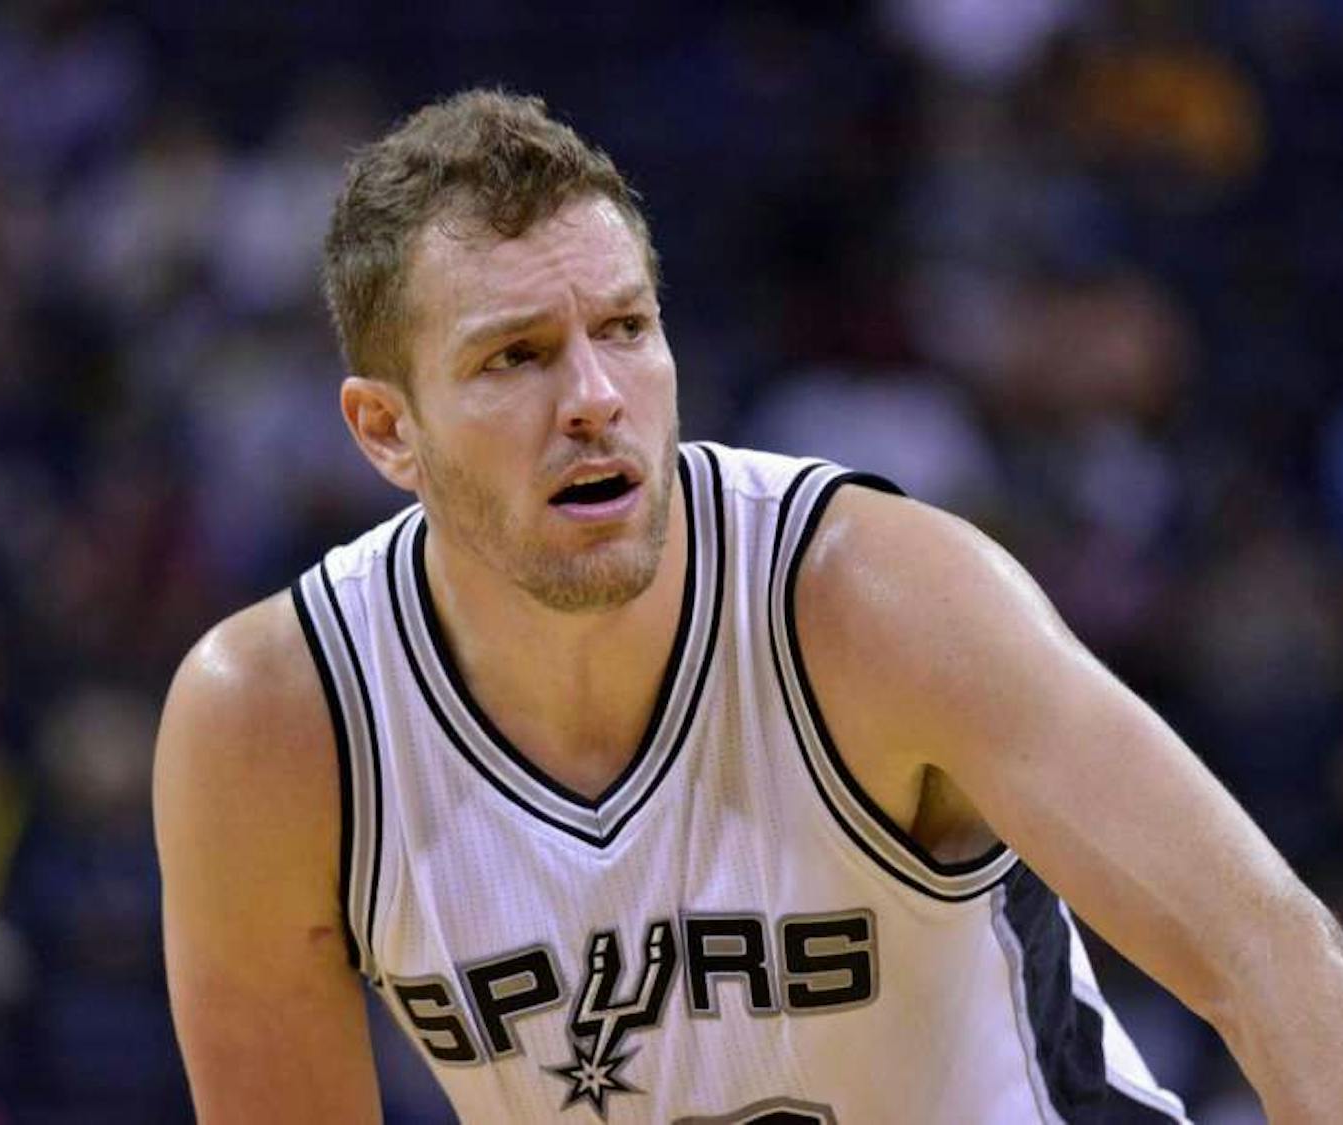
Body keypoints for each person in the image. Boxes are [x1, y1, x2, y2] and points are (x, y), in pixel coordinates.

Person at [153, 89, 1343, 1124]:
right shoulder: (274, 726)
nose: (595, 398)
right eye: (515, 356)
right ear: (384, 429)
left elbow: (1275, 954)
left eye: (625, 328)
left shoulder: (873, 599)